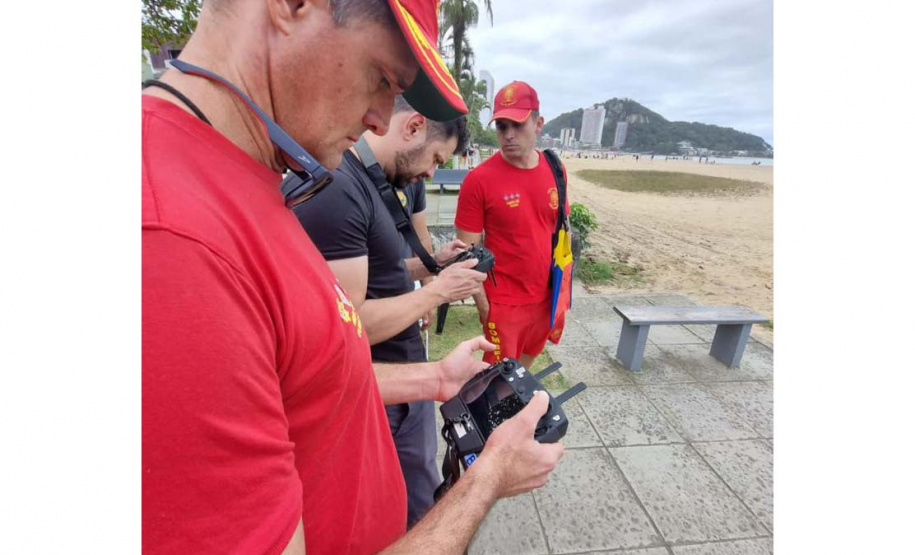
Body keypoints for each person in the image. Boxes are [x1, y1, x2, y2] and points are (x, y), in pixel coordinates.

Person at [142, 2, 563, 554]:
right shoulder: (171, 244)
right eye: (383, 78)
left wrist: (434, 379)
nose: (380, 117)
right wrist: (486, 480)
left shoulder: (256, 174)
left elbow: (310, 377)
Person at [286, 95, 481, 527]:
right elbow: (347, 328)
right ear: (412, 127)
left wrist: (433, 264)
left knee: (421, 487)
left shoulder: (374, 182)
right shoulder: (340, 190)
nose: (432, 172)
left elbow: (381, 271)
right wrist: (436, 294)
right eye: (435, 157)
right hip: (378, 387)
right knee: (409, 505)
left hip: (404, 373)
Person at [454, 81, 571, 371]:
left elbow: (559, 232)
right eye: (501, 126)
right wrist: (484, 306)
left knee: (523, 373)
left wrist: (562, 292)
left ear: (538, 123)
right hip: (503, 303)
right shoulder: (479, 180)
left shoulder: (555, 169)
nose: (508, 135)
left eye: (517, 125)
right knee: (497, 382)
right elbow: (467, 253)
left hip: (546, 297)